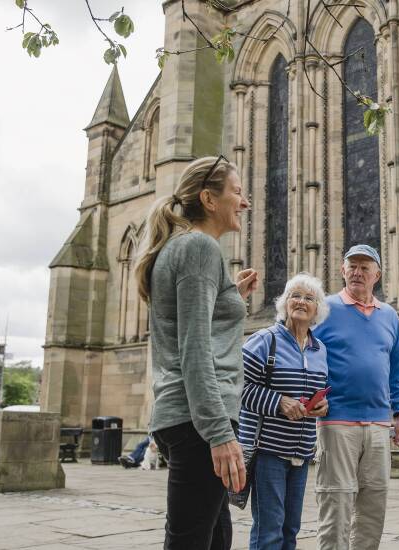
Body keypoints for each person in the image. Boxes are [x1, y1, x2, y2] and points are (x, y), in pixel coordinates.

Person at [135, 155, 259, 550]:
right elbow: (194, 349)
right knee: (190, 541)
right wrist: (219, 432)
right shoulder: (199, 248)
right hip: (200, 422)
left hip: (189, 419)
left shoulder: (184, 249)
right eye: (237, 192)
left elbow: (193, 326)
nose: (245, 202)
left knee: (215, 538)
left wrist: (230, 297)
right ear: (209, 198)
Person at [312, 244, 399, 550]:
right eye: (352, 266)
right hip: (337, 421)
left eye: (365, 267)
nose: (357, 272)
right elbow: (305, 354)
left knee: (373, 504)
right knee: (336, 502)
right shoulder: (324, 309)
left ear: (376, 275)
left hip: (380, 424)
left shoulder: (389, 316)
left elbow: (398, 368)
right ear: (342, 271)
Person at [239, 273, 331, 550]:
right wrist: (278, 401)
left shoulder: (319, 349)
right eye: (295, 296)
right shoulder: (264, 340)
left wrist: (323, 406)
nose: (301, 302)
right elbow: (236, 387)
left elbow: (321, 389)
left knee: (290, 528)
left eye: (309, 298)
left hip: (301, 452)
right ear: (284, 303)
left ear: (317, 309)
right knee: (269, 530)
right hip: (267, 450)